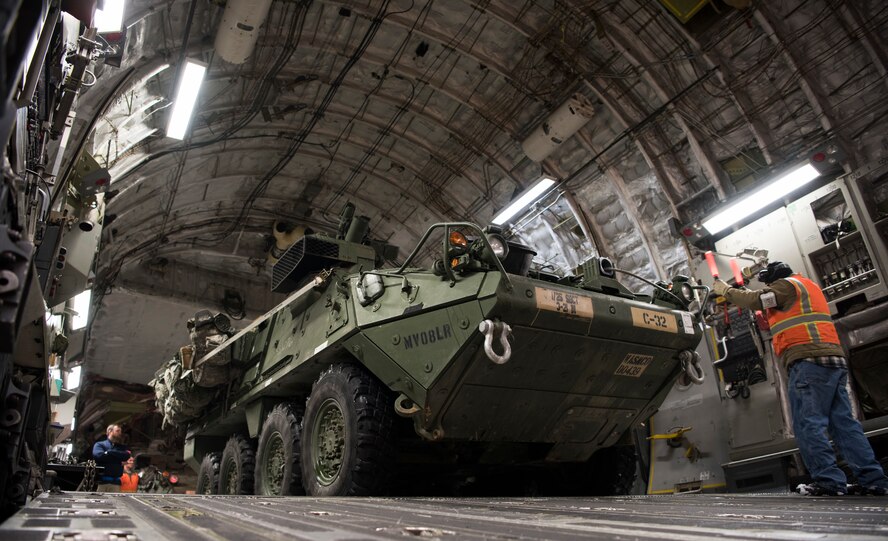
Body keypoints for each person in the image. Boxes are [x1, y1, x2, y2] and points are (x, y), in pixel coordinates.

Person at [713, 261, 888, 496]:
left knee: (808, 424)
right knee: (844, 425)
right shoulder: (808, 286)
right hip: (833, 360)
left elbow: (756, 300)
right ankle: (874, 480)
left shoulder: (786, 285)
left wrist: (725, 291)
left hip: (809, 361)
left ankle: (828, 482)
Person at [92, 424, 131, 492]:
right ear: (110, 431)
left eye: (120, 431)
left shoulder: (121, 447)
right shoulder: (99, 445)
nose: (120, 433)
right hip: (101, 483)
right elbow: (98, 456)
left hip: (115, 483)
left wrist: (109, 452)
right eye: (117, 431)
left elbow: (126, 456)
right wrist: (118, 460)